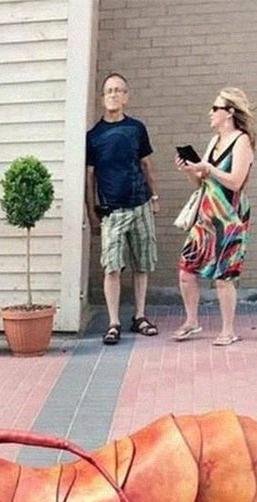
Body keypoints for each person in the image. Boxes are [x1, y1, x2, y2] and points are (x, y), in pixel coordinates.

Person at [173, 88, 256, 346]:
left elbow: (235, 182)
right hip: (206, 216)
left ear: (229, 112)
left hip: (230, 217)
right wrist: (190, 170)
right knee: (187, 270)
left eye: (215, 108)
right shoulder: (213, 141)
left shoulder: (241, 141)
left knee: (224, 277)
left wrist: (209, 169)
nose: (210, 112)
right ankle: (191, 321)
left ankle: (228, 330)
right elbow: (201, 183)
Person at [85, 73, 160, 345]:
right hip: (112, 211)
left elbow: (147, 165)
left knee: (142, 263)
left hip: (140, 204)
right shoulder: (94, 136)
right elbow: (89, 177)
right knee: (112, 267)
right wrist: (92, 213)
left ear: (126, 96)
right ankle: (114, 321)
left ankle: (139, 316)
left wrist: (154, 197)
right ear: (102, 98)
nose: (114, 94)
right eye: (109, 91)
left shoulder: (137, 129)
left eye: (118, 90)